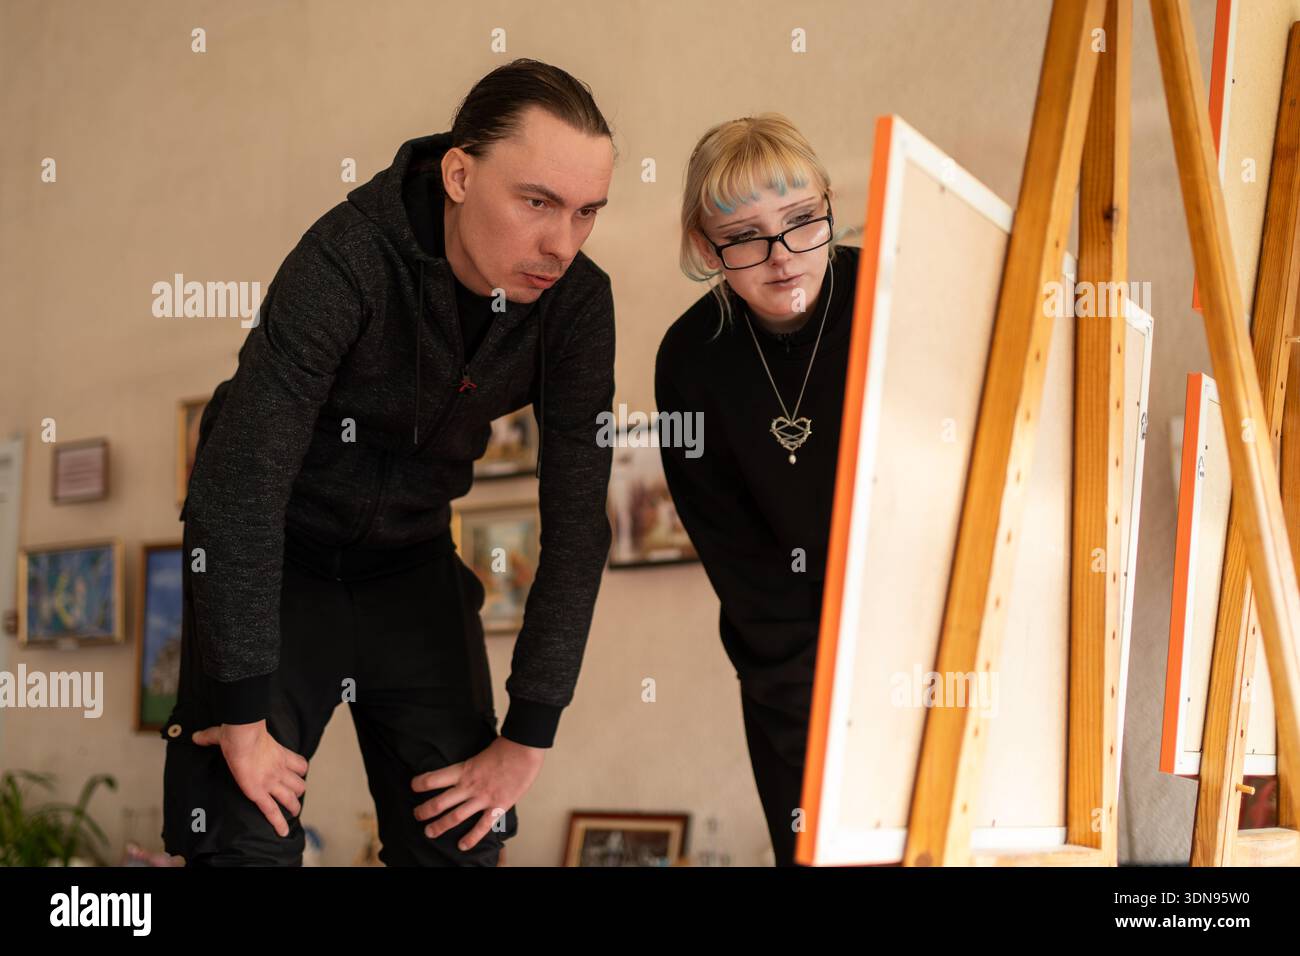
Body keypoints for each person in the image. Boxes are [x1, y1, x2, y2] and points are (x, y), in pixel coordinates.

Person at [161, 58, 617, 866]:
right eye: (537, 201)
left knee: (465, 840)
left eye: (586, 212)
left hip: (410, 570)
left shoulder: (576, 302)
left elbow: (578, 524)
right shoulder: (348, 258)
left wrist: (528, 736)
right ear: (458, 173)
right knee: (236, 840)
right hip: (280, 562)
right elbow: (239, 484)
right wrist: (239, 716)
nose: (561, 243)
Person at [655, 114, 859, 867]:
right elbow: (736, 559)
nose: (782, 259)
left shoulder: (889, 292)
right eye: (744, 237)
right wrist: (810, 712)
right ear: (709, 248)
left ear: (829, 206)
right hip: (789, 681)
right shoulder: (691, 359)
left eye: (802, 222)